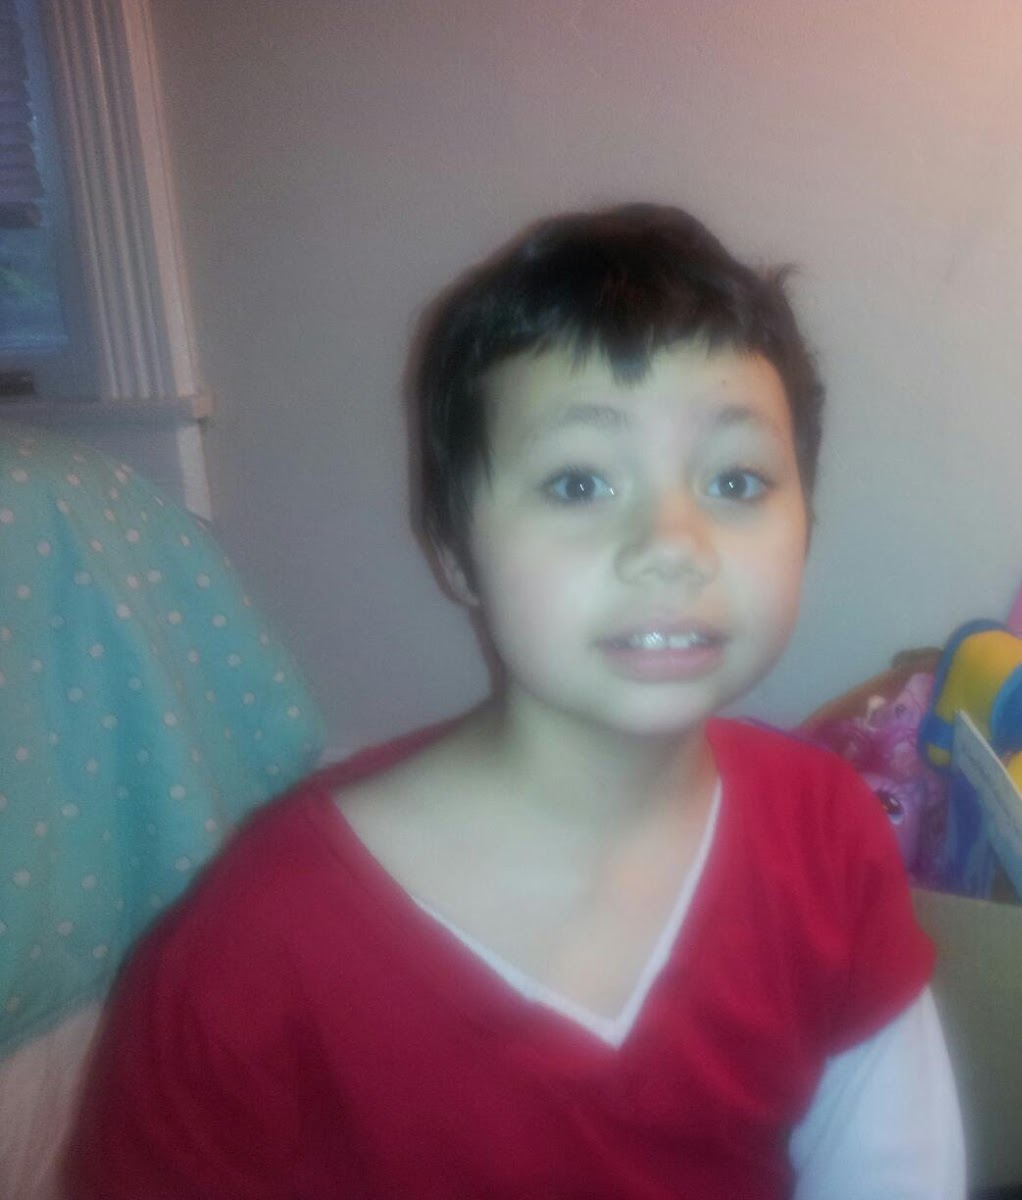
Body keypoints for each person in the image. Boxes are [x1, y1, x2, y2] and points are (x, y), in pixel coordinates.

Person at [66, 204, 966, 1198]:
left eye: (737, 480)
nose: (674, 545)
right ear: (455, 552)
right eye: (578, 483)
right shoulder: (254, 946)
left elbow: (894, 1167)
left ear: (806, 524)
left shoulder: (828, 830)